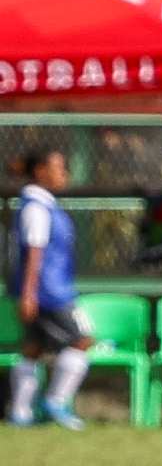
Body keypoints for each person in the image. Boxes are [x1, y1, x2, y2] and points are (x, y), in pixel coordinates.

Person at [9, 144, 81, 425]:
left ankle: (20, 410)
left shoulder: (42, 203)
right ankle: (55, 402)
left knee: (33, 348)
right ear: (40, 172)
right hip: (49, 292)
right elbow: (34, 252)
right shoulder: (36, 208)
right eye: (59, 168)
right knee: (81, 340)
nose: (64, 174)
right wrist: (28, 294)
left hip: (44, 289)